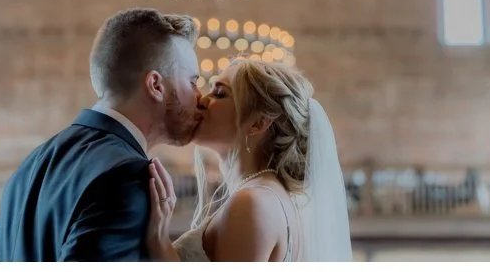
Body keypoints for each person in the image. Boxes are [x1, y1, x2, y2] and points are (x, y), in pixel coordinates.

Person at [0, 8, 206, 261]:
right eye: (192, 81)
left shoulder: (34, 162)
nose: (200, 97)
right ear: (156, 85)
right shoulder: (127, 177)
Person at [144, 58, 353, 262]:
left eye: (219, 93)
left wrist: (158, 239)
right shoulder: (266, 196)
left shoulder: (252, 202)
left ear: (258, 123)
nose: (201, 100)